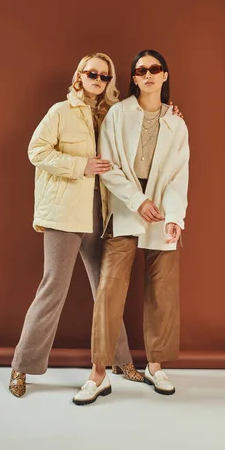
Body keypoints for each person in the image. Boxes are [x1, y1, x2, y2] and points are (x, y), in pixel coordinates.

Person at [9, 53, 144, 397]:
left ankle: (120, 359)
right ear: (79, 75)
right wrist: (79, 165)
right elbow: (36, 151)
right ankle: (21, 366)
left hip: (100, 215)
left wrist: (171, 112)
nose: (97, 80)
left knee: (107, 291)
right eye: (92, 74)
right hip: (65, 213)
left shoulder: (112, 115)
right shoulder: (60, 112)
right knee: (53, 287)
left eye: (104, 76)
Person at [73, 50, 189, 406]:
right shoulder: (117, 114)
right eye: (141, 70)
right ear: (134, 78)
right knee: (109, 289)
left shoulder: (177, 122)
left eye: (155, 69)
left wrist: (174, 216)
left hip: (162, 210)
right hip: (127, 206)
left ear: (165, 76)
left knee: (163, 290)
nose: (149, 75)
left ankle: (155, 365)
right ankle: (98, 373)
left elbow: (178, 174)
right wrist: (138, 201)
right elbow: (107, 167)